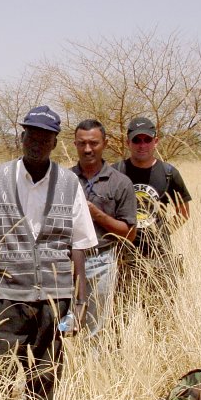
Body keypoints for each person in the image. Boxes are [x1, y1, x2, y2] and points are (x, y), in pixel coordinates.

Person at [0, 105, 97, 400]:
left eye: (45, 136)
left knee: (45, 381)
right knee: (3, 381)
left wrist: (80, 303)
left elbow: (79, 245)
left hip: (54, 301)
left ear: (55, 142)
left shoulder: (68, 183)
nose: (37, 141)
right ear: (21, 136)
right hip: (5, 300)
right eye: (31, 134)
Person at [70, 119, 137, 339]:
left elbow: (130, 232)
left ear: (105, 144)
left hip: (101, 261)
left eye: (94, 143)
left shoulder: (120, 182)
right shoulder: (64, 180)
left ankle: (92, 372)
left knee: (94, 328)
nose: (87, 149)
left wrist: (96, 214)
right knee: (64, 324)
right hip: (65, 263)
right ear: (75, 144)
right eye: (82, 143)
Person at [113, 117, 192, 297]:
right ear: (128, 142)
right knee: (121, 313)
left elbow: (183, 213)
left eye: (147, 140)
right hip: (124, 256)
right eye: (137, 140)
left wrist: (161, 233)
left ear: (155, 141)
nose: (142, 145)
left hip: (159, 256)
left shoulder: (169, 173)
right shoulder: (115, 172)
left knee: (161, 313)